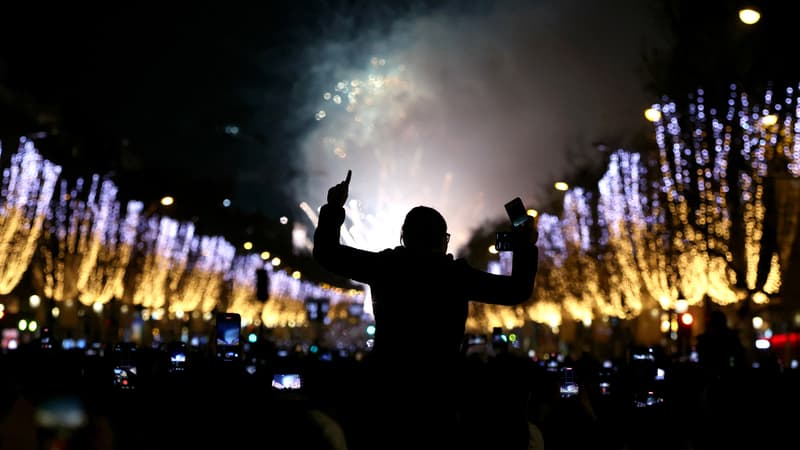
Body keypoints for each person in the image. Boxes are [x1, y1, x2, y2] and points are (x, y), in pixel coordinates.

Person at [313, 170, 540, 449]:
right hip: (440, 393)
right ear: (444, 240)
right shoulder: (456, 276)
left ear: (404, 236)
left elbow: (327, 253)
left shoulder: (386, 267)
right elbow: (517, 290)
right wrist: (526, 246)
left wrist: (334, 208)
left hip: (386, 390)